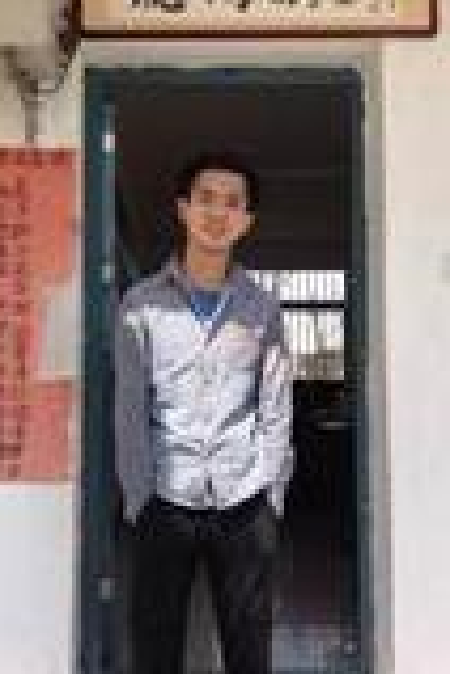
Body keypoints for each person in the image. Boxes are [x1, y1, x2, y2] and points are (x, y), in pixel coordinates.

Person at [114, 149, 294, 674]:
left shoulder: (263, 309)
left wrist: (270, 494)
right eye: (206, 198)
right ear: (183, 209)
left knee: (248, 648)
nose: (218, 213)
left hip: (244, 498)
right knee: (155, 647)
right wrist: (139, 498)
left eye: (233, 203)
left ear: (247, 220)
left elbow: (276, 403)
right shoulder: (141, 306)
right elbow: (129, 408)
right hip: (163, 499)